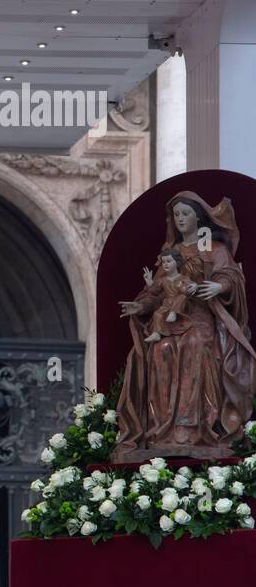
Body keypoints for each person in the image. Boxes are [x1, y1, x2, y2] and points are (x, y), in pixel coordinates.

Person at [116, 192, 256, 458]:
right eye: (176, 214)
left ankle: (196, 428)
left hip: (204, 319)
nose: (180, 219)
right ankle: (163, 430)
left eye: (185, 214)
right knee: (161, 350)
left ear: (198, 217)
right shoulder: (172, 253)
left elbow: (232, 277)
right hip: (171, 320)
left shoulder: (216, 248)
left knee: (195, 345)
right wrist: (142, 306)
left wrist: (219, 285)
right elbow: (157, 291)